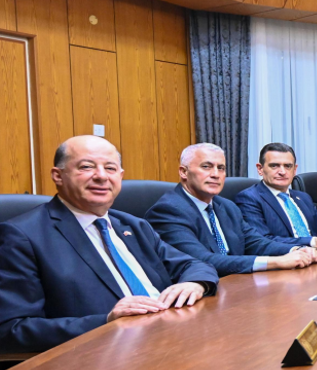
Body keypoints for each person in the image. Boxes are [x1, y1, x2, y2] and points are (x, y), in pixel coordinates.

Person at [0, 136, 218, 353]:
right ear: (58, 175)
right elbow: (11, 330)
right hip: (102, 355)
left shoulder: (133, 225)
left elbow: (193, 265)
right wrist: (106, 321)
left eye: (110, 168)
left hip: (171, 338)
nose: (102, 176)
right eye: (86, 167)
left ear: (120, 177)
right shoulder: (22, 236)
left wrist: (195, 284)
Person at [145, 143, 317, 276]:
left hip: (238, 284)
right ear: (184, 172)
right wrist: (276, 262)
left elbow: (256, 242)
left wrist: (295, 250)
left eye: (221, 168)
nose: (216, 174)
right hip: (200, 294)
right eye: (206, 167)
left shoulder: (226, 206)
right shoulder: (168, 210)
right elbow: (203, 260)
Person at [235, 143, 317, 249]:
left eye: (288, 166)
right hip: (284, 260)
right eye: (274, 166)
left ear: (294, 170)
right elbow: (261, 241)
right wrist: (313, 242)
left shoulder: (303, 197)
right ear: (260, 169)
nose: (282, 172)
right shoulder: (249, 198)